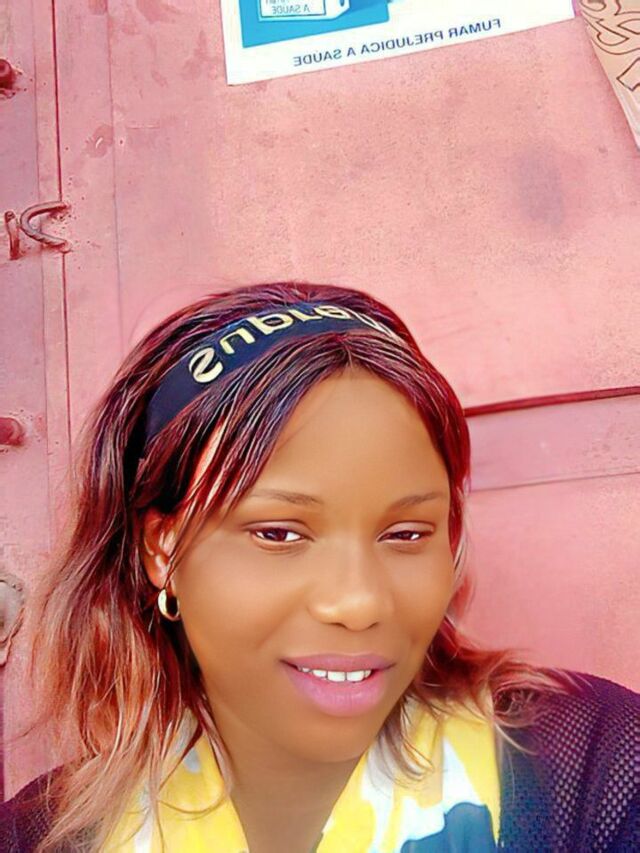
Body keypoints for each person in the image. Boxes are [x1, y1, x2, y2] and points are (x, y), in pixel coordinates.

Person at [1, 280, 638, 852]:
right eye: (279, 533)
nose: (359, 603)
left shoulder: (592, 767)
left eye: (406, 533)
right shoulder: (43, 836)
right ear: (162, 550)